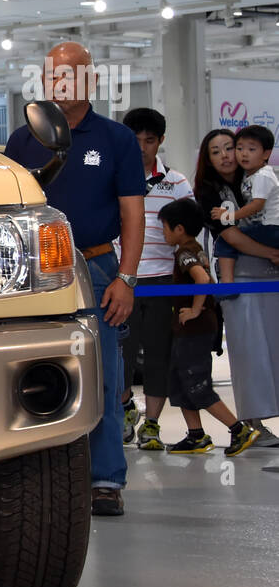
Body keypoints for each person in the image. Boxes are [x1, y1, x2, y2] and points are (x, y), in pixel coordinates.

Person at [3, 41, 144, 517]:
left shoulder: (116, 139)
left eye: (69, 75)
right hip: (36, 271)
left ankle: (105, 478)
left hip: (98, 267)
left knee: (103, 374)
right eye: (51, 75)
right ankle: (31, 478)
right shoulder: (23, 140)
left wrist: (126, 277)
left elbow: (133, 212)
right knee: (32, 373)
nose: (58, 83)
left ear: (92, 81)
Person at [194, 128, 279, 448]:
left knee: (273, 349)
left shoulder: (257, 180)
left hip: (271, 274)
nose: (227, 156)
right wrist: (270, 253)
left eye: (230, 148)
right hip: (241, 275)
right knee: (249, 352)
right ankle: (252, 425)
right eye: (216, 151)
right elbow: (229, 237)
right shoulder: (208, 192)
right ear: (208, 159)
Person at [156, 198, 259, 456]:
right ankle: (196, 435)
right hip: (192, 330)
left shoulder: (185, 253)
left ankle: (238, 429)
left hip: (195, 330)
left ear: (179, 229)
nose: (163, 233)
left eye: (165, 227)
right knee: (179, 381)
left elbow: (202, 280)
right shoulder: (195, 247)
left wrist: (195, 309)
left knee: (196, 383)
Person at [116, 108, 192, 452]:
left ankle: (152, 424)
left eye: (150, 140)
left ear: (161, 141)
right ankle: (125, 408)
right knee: (120, 357)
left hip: (163, 282)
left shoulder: (176, 183)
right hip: (122, 282)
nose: (143, 147)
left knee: (160, 356)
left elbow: (190, 234)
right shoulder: (113, 178)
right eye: (136, 140)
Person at [211, 125, 279, 284]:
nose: (244, 154)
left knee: (225, 240)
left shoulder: (263, 175)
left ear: (266, 154)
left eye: (251, 149)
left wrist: (229, 215)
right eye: (240, 148)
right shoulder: (251, 176)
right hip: (268, 227)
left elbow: (257, 205)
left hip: (270, 227)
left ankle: (227, 285)